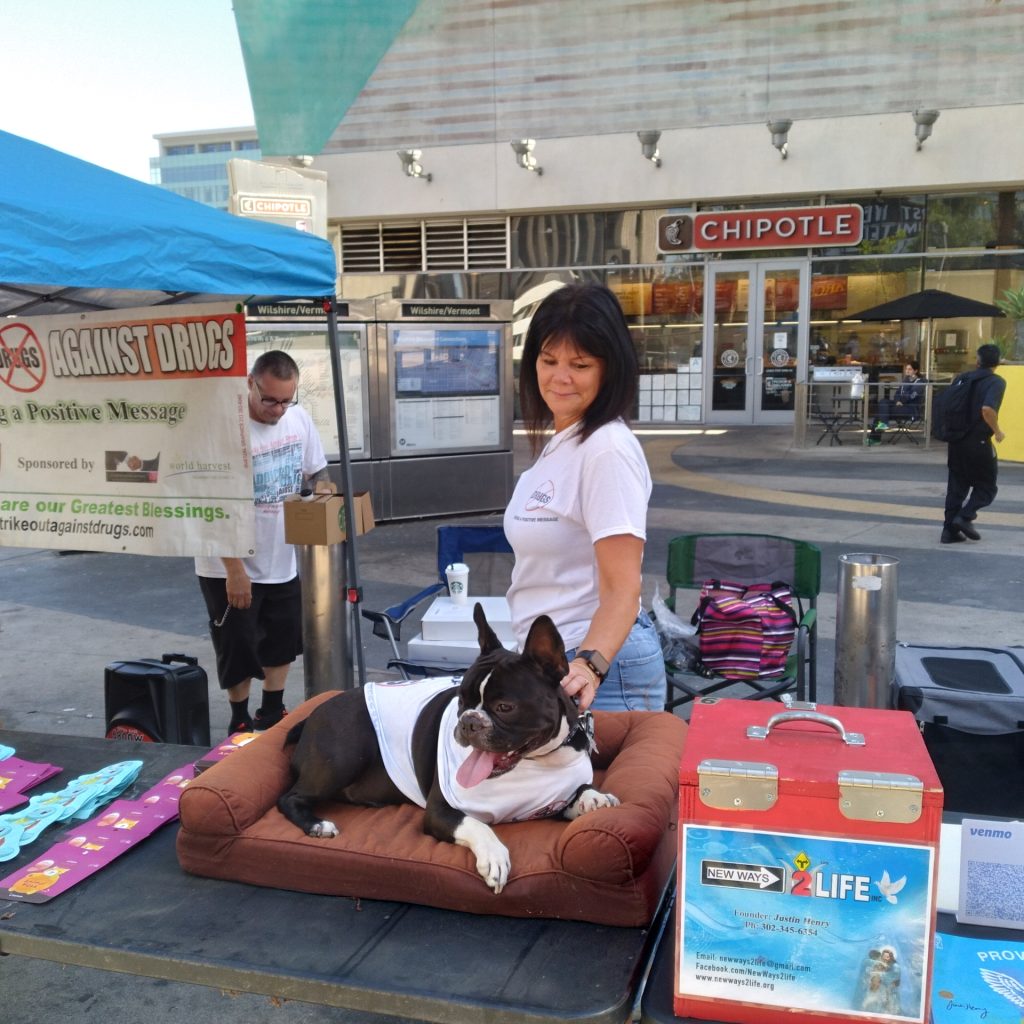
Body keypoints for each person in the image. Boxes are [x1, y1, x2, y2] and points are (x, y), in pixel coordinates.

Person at [504, 283, 666, 712]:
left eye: (580, 364)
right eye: (548, 360)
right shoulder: (565, 442)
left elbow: (622, 589)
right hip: (557, 662)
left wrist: (589, 666)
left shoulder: (606, 450)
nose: (560, 377)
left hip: (599, 669)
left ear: (610, 369)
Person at [195, 351, 328, 733]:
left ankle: (272, 711)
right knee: (237, 644)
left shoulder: (298, 418)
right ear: (250, 383)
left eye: (286, 400)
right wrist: (234, 569)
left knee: (282, 639)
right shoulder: (225, 428)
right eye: (270, 400)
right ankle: (238, 719)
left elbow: (317, 469)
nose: (279, 409)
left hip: (281, 556)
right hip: (227, 563)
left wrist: (322, 488)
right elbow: (209, 504)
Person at [941, 343, 1006, 544]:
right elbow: (987, 409)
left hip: (956, 440)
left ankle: (949, 532)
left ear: (977, 361)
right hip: (978, 441)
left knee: (956, 487)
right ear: (998, 362)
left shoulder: (962, 378)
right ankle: (965, 516)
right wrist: (998, 431)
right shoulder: (996, 382)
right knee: (987, 487)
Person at [874, 361, 924, 430]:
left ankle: (877, 434)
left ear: (915, 371)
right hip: (900, 406)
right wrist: (897, 401)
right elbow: (897, 393)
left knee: (881, 411)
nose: (907, 371)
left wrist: (901, 401)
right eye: (906, 369)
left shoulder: (919, 382)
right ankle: (883, 425)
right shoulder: (906, 380)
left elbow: (911, 396)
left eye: (910, 369)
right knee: (883, 402)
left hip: (911, 409)